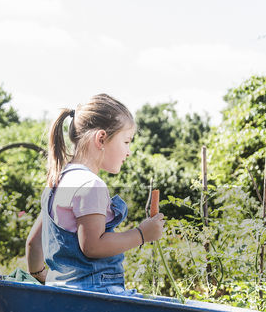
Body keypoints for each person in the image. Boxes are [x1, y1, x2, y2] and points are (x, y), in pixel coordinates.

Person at [24, 94, 164, 295]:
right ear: (101, 139)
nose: (129, 151)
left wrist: (39, 275)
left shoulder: (57, 183)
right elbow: (93, 246)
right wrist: (141, 234)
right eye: (126, 141)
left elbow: (33, 243)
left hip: (62, 295)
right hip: (96, 296)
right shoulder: (91, 185)